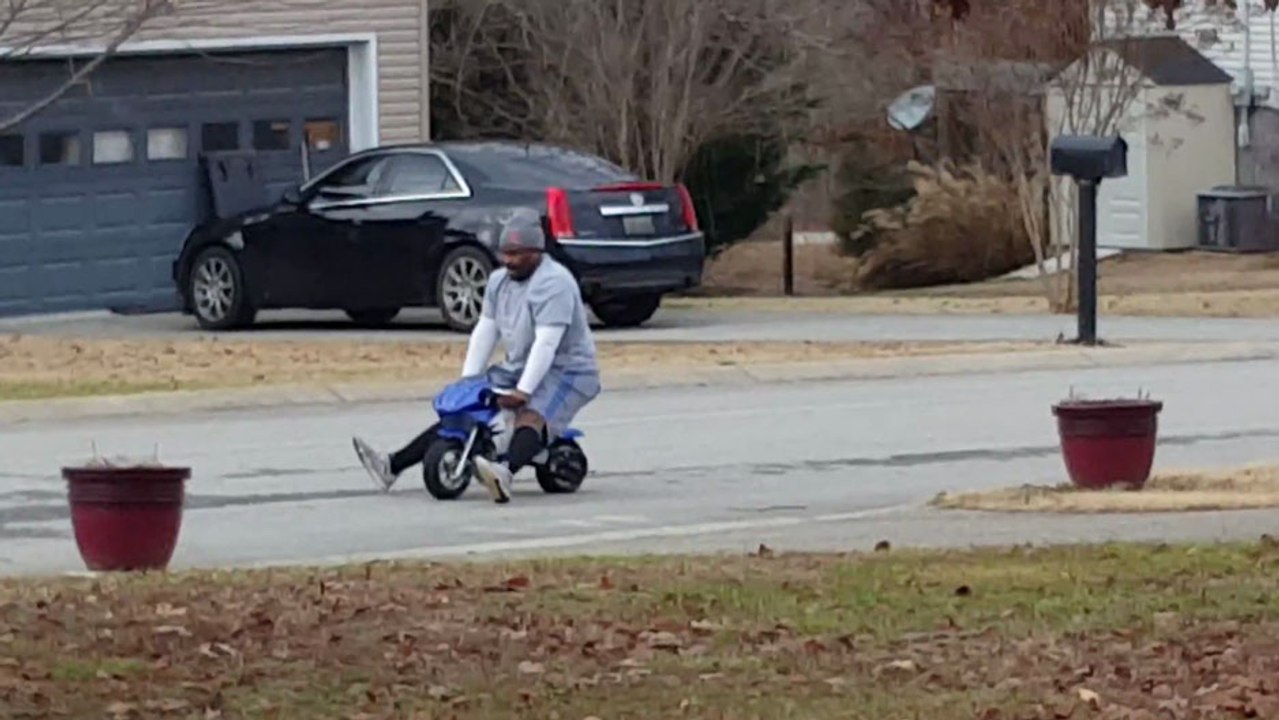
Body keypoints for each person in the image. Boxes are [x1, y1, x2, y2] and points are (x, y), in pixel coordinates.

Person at [351, 208, 601, 504]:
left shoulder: (554, 283)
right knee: (466, 410)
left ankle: (504, 473)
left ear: (536, 251)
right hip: (521, 366)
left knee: (531, 413)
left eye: (517, 254)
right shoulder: (499, 281)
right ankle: (392, 465)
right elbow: (486, 328)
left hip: (567, 371)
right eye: (505, 252)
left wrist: (523, 391)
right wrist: (470, 380)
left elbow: (547, 342)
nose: (508, 260)